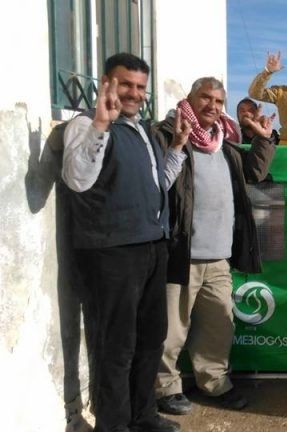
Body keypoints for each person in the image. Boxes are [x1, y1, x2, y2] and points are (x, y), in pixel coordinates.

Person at [62, 52, 185, 432]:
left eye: (140, 87)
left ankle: (143, 417)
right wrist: (101, 123)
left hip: (151, 248)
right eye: (125, 84)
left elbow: (156, 186)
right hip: (110, 254)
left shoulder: (144, 131)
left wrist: (177, 148)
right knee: (115, 346)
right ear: (106, 83)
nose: (133, 93)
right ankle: (113, 426)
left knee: (151, 339)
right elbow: (77, 178)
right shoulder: (86, 124)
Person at [152, 77, 276, 415]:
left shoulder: (223, 142)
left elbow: (254, 172)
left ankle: (214, 384)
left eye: (219, 101)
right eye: (205, 98)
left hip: (219, 258)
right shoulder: (166, 135)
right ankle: (165, 388)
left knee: (218, 329)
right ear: (189, 99)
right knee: (171, 330)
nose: (212, 106)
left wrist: (264, 140)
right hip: (181, 255)